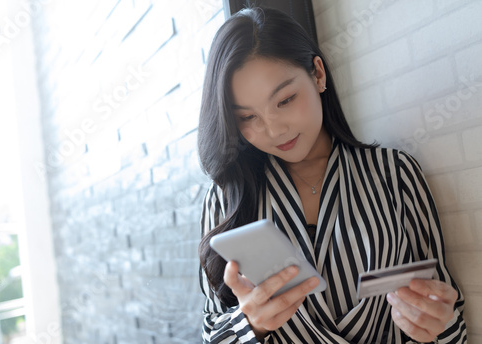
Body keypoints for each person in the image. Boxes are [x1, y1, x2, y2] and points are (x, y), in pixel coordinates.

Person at [197, 7, 467, 344]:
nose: (274, 129)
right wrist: (251, 323)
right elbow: (211, 332)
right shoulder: (227, 198)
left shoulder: (394, 174)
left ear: (318, 74)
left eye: (285, 99)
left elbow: (448, 314)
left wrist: (438, 326)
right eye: (248, 117)